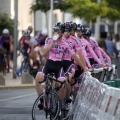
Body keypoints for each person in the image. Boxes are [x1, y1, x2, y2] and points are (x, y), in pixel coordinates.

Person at [35, 22, 87, 110]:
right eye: (55, 31)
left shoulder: (67, 43)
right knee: (37, 80)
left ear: (61, 32)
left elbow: (74, 56)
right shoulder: (48, 40)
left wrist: (84, 67)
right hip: (49, 64)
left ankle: (59, 104)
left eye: (58, 31)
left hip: (59, 66)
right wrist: (52, 42)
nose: (56, 33)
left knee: (63, 84)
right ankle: (43, 101)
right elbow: (44, 52)